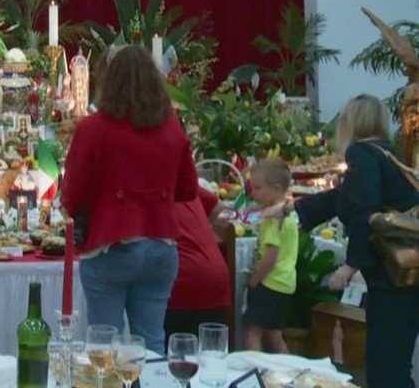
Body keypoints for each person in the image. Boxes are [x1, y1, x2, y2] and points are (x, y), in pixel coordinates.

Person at [259, 94, 419, 388]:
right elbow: (339, 199)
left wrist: (349, 267)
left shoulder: (361, 153)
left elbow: (363, 210)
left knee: (386, 372)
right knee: (394, 364)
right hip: (406, 277)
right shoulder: (386, 154)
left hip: (393, 280)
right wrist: (288, 207)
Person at [61, 45, 198, 354]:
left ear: (108, 81)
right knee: (151, 344)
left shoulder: (93, 129)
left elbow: (72, 195)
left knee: (104, 348)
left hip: (112, 244)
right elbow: (189, 189)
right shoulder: (171, 127)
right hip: (161, 245)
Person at [243, 159, 297, 353]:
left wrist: (256, 279)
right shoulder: (288, 213)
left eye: (258, 188)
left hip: (269, 282)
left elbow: (271, 254)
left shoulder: (275, 219)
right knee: (275, 335)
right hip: (285, 283)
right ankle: (289, 372)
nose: (253, 193)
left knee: (253, 332)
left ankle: (253, 374)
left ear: (275, 188)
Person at [165, 185, 231, 338]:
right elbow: (217, 206)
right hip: (216, 275)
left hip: (180, 279)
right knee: (211, 354)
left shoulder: (144, 185)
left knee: (175, 356)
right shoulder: (180, 179)